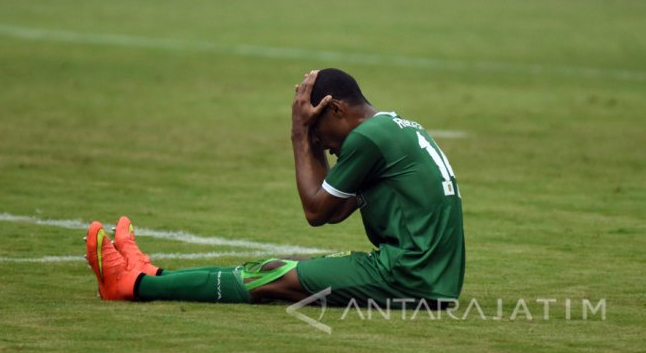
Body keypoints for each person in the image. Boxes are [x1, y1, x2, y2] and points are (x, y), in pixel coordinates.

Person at [85, 68, 465, 308]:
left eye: (321, 133)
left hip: (409, 276)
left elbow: (315, 211)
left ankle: (132, 285)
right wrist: (313, 138)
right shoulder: (394, 129)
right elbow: (332, 212)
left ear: (336, 110)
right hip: (430, 274)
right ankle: (150, 275)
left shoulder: (368, 139)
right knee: (275, 274)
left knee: (270, 275)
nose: (327, 147)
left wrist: (299, 135)